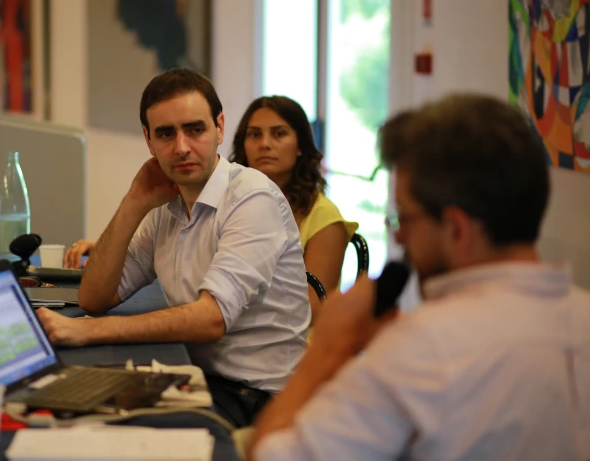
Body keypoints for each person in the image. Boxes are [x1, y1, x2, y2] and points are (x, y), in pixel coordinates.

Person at [250, 94, 590, 460]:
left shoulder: (422, 349)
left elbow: (270, 456)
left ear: (457, 230)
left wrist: (327, 351)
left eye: (404, 219)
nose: (397, 237)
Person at [38, 68, 310, 428]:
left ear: (219, 128)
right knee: (68, 409)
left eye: (194, 130)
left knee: (116, 432)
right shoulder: (165, 205)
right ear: (149, 142)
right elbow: (94, 297)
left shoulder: (251, 197)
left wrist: (88, 330)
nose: (181, 147)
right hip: (195, 375)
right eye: (166, 134)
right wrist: (133, 201)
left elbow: (211, 319)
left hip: (257, 397)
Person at [230, 96, 357, 323]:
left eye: (279, 134)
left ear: (300, 146)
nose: (265, 144)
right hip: (235, 330)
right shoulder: (232, 202)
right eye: (254, 134)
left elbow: (312, 308)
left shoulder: (323, 217)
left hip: (295, 344)